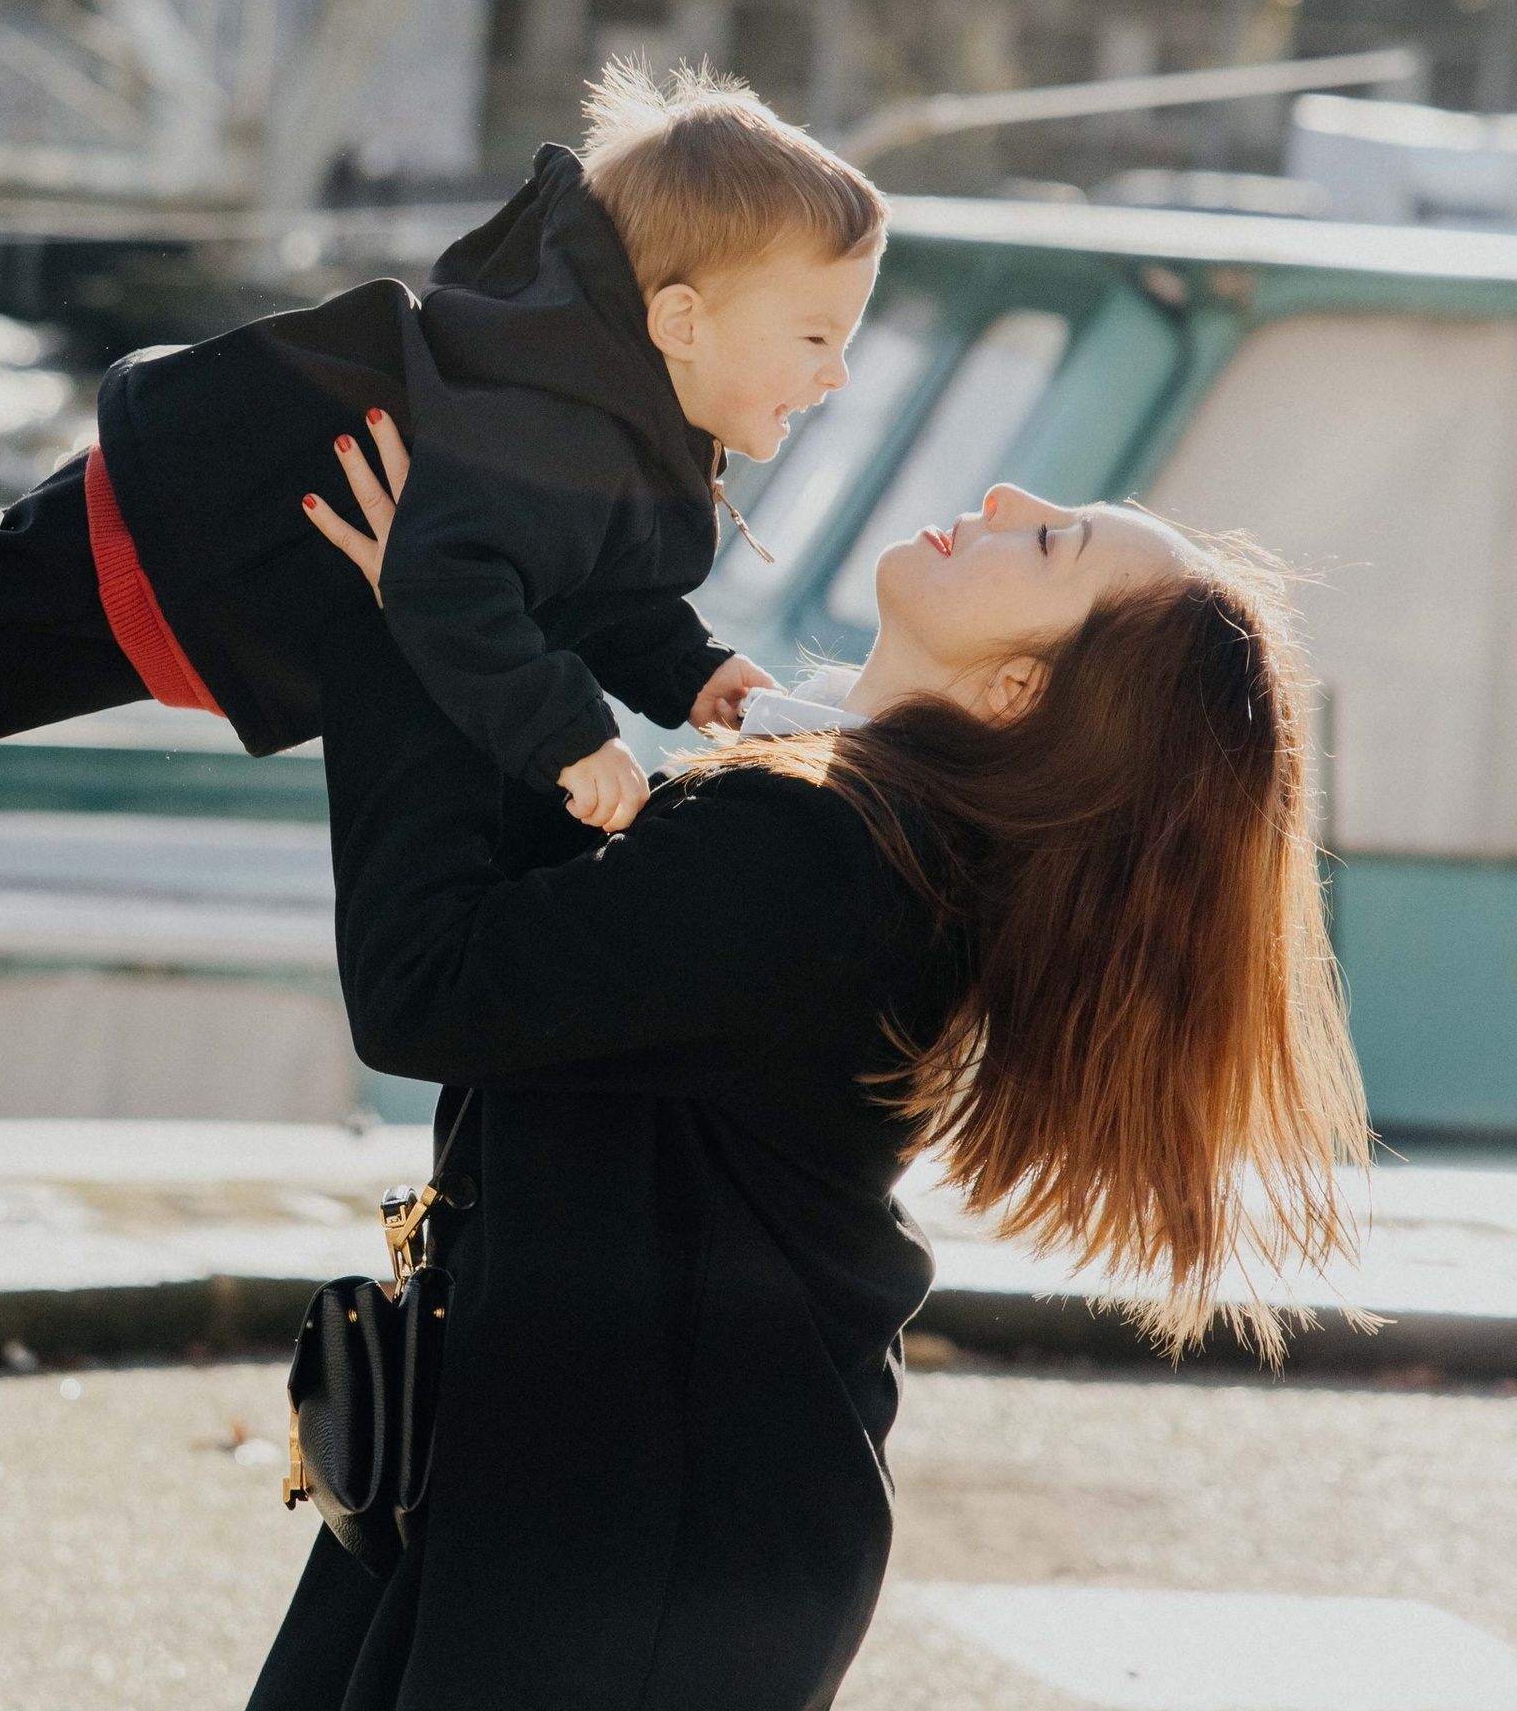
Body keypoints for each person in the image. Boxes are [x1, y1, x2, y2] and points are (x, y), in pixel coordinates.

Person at [253, 424, 1368, 1711]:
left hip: (623, 1537)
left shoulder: (816, 848)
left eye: (1051, 539)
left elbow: (433, 987)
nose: (1008, 493)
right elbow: (531, 930)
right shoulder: (868, 840)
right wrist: (465, 606)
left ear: (1020, 692)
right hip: (634, 1510)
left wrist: (419, 618)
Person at [0, 64, 885, 914]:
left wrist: (688, 670)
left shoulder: (602, 413)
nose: (834, 376)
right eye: (816, 338)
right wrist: (572, 736)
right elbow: (452, 577)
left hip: (183, 546)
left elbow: (575, 583)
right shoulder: (570, 426)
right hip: (174, 556)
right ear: (683, 321)